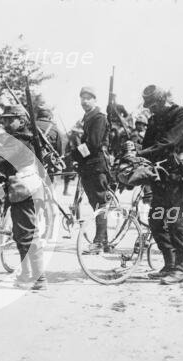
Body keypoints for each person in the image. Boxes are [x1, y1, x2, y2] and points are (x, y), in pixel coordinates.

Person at [138, 85, 183, 284]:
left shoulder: (181, 114)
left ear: (162, 101)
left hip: (176, 175)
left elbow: (170, 141)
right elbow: (146, 145)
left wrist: (142, 153)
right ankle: (169, 264)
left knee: (176, 221)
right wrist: (134, 150)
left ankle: (180, 268)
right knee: (155, 220)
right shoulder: (154, 118)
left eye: (152, 106)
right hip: (159, 176)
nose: (150, 110)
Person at [0, 105, 47, 290]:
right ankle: (26, 274)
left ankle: (39, 279)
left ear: (22, 121)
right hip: (20, 189)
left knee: (28, 234)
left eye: (10, 120)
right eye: (4, 120)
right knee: (20, 234)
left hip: (26, 190)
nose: (6, 123)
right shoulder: (17, 139)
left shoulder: (20, 140)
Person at [74, 86, 111, 254]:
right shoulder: (88, 118)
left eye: (88, 98)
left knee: (100, 203)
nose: (85, 101)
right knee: (96, 204)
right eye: (82, 98)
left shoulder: (98, 118)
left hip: (97, 166)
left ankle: (98, 242)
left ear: (95, 100)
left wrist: (73, 154)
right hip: (89, 167)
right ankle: (104, 241)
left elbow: (93, 144)